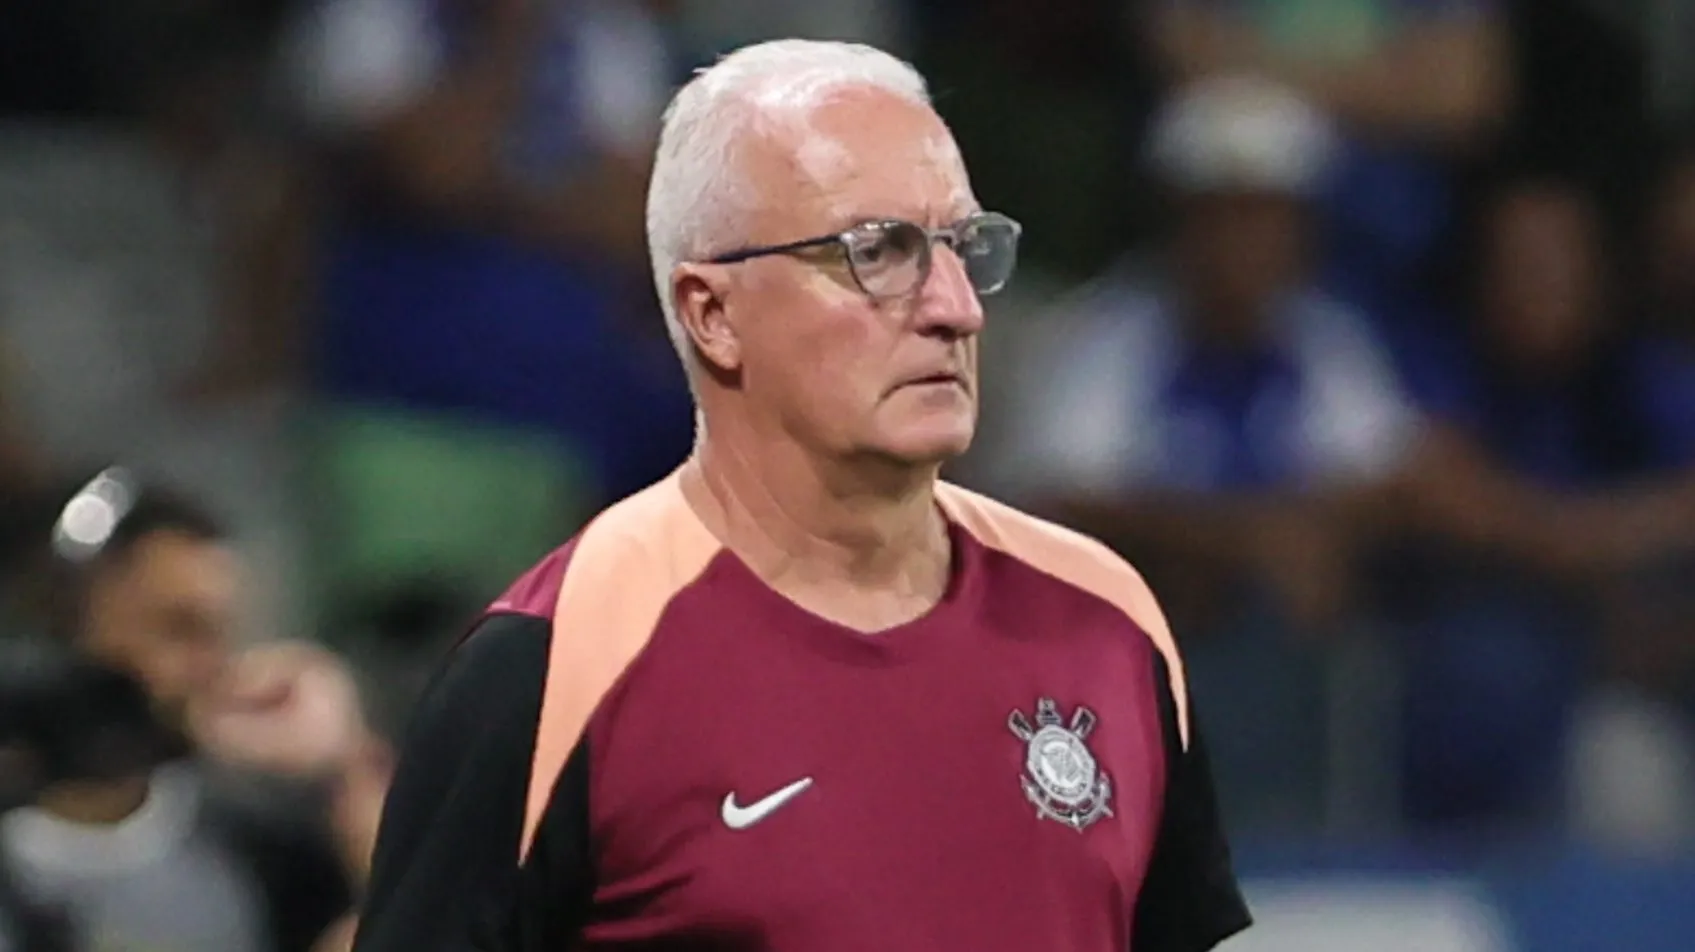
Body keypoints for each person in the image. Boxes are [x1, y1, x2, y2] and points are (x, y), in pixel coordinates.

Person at [351, 39, 1252, 952]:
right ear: (712, 313)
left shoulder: (1105, 621)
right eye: (878, 252)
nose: (956, 307)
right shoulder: (554, 666)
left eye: (963, 247)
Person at [1, 468, 389, 952]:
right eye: (178, 630)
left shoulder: (263, 850)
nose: (211, 667)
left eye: (219, 635)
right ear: (62, 631)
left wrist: (347, 766)